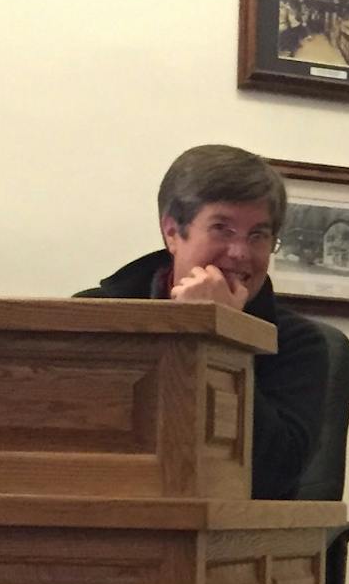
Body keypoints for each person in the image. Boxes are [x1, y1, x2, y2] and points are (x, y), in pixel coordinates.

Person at [77, 144, 330, 499]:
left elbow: (273, 477)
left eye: (258, 235)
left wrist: (222, 334)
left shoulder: (298, 344)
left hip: (230, 539)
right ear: (172, 232)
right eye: (222, 229)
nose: (241, 252)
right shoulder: (94, 316)